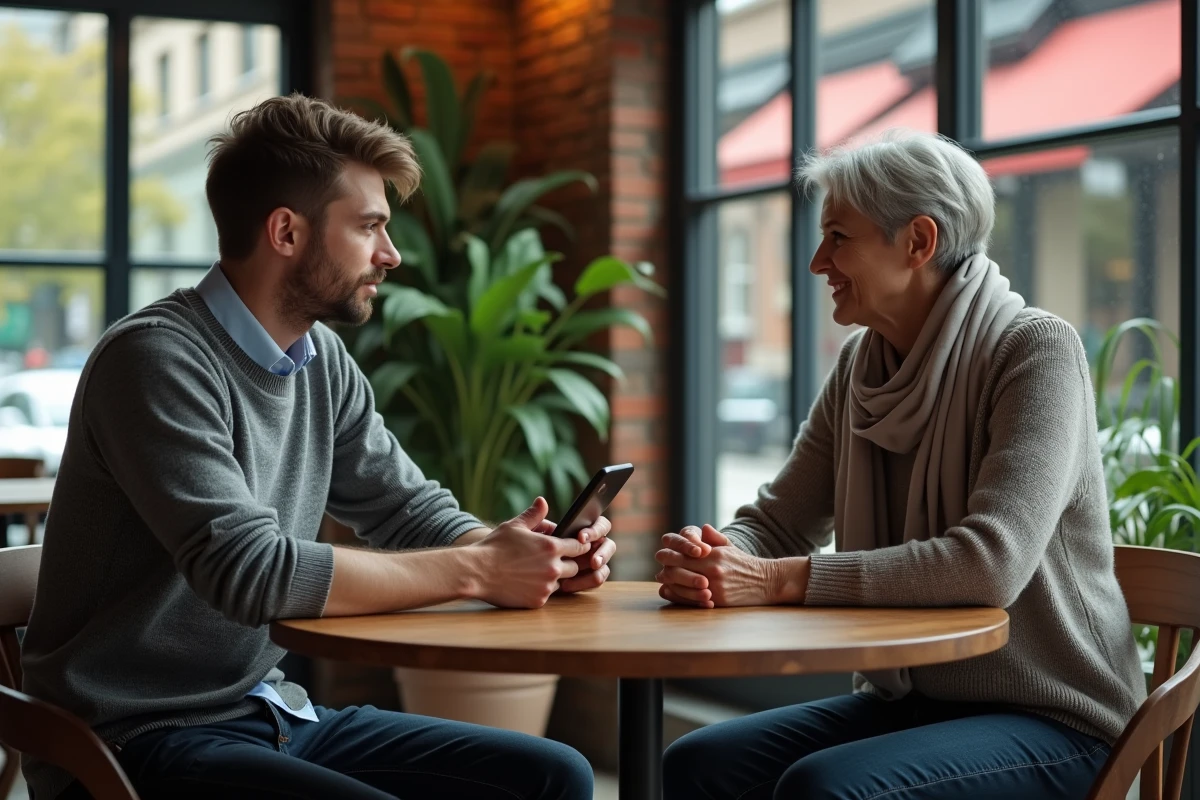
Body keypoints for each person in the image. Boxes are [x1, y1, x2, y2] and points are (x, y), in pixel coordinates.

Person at [21, 93, 615, 800]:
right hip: (132, 738)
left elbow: (407, 510)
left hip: (265, 711)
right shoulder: (156, 360)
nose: (390, 255)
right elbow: (252, 573)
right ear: (286, 232)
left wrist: (524, 554)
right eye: (370, 227)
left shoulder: (318, 358)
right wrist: (479, 570)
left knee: (554, 774)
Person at [656, 130, 1146, 799]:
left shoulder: (1035, 352)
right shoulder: (862, 365)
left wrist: (773, 579)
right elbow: (777, 523)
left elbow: (988, 563)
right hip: (917, 701)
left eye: (838, 236)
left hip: (1059, 718)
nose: (817, 262)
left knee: (825, 788)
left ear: (918, 242)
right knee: (697, 762)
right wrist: (716, 557)